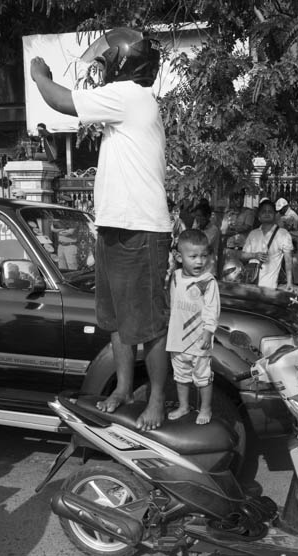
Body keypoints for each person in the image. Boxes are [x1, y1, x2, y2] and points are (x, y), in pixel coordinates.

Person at [30, 27, 171, 431]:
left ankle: (157, 399)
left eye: (108, 58)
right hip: (116, 226)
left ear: (123, 60)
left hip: (140, 228)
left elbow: (60, 100)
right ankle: (124, 389)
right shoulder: (129, 104)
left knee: (148, 325)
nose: (102, 66)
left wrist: (39, 73)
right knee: (115, 321)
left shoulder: (129, 95)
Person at [166, 229, 220, 424]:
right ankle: (183, 406)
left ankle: (205, 408)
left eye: (204, 256)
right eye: (194, 256)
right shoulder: (175, 277)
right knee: (181, 377)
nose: (199, 262)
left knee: (203, 377)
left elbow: (212, 310)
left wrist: (208, 332)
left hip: (199, 341)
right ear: (180, 257)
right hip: (177, 340)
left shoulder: (208, 282)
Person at [241, 199, 294, 290]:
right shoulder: (253, 233)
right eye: (263, 211)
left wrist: (289, 282)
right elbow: (242, 256)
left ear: (275, 215)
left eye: (270, 211)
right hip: (251, 284)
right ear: (259, 216)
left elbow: (288, 260)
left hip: (270, 286)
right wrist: (254, 255)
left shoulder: (283, 234)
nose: (267, 214)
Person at [221, 187, 255, 255]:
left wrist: (233, 229)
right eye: (236, 198)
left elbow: (246, 227)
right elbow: (223, 230)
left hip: (243, 247)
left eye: (241, 198)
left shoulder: (249, 212)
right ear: (233, 200)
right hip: (230, 246)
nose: (239, 200)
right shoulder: (228, 213)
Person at [193, 202, 220, 275]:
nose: (197, 218)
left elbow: (204, 244)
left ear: (207, 216)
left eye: (199, 216)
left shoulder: (213, 229)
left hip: (209, 268)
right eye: (196, 216)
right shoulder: (196, 228)